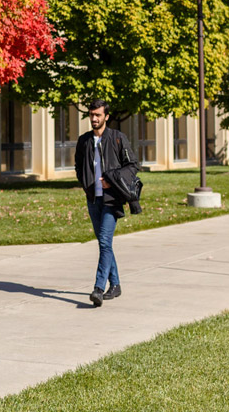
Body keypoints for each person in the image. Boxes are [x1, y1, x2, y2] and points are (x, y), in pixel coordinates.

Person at [74, 99, 139, 308]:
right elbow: (78, 165)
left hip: (112, 200)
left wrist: (111, 180)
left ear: (106, 117)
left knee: (103, 241)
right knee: (105, 244)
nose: (94, 118)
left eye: (98, 115)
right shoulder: (84, 141)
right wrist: (86, 184)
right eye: (92, 115)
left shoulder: (118, 138)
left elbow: (132, 165)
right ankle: (116, 284)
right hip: (93, 199)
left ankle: (98, 288)